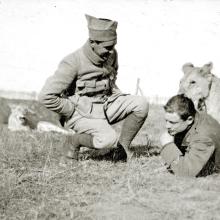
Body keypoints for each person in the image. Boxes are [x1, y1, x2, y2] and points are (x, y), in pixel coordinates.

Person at [38, 14, 149, 162]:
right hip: (81, 113)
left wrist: (118, 98)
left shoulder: (111, 54)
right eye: (108, 47)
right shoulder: (73, 62)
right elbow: (46, 96)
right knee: (108, 139)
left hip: (104, 105)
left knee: (141, 104)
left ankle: (121, 150)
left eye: (113, 46)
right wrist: (70, 110)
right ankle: (74, 141)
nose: (111, 51)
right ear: (93, 42)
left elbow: (111, 80)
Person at [159, 94, 220, 177]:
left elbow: (186, 173)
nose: (167, 126)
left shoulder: (203, 136)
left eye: (172, 122)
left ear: (189, 120)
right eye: (166, 121)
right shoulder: (192, 120)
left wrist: (168, 146)